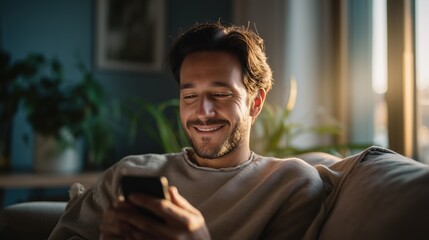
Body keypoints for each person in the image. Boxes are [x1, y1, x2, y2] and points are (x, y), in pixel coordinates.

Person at [48, 22, 325, 240]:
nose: (203, 112)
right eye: (190, 97)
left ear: (255, 103)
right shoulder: (128, 173)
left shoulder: (291, 184)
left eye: (220, 93)